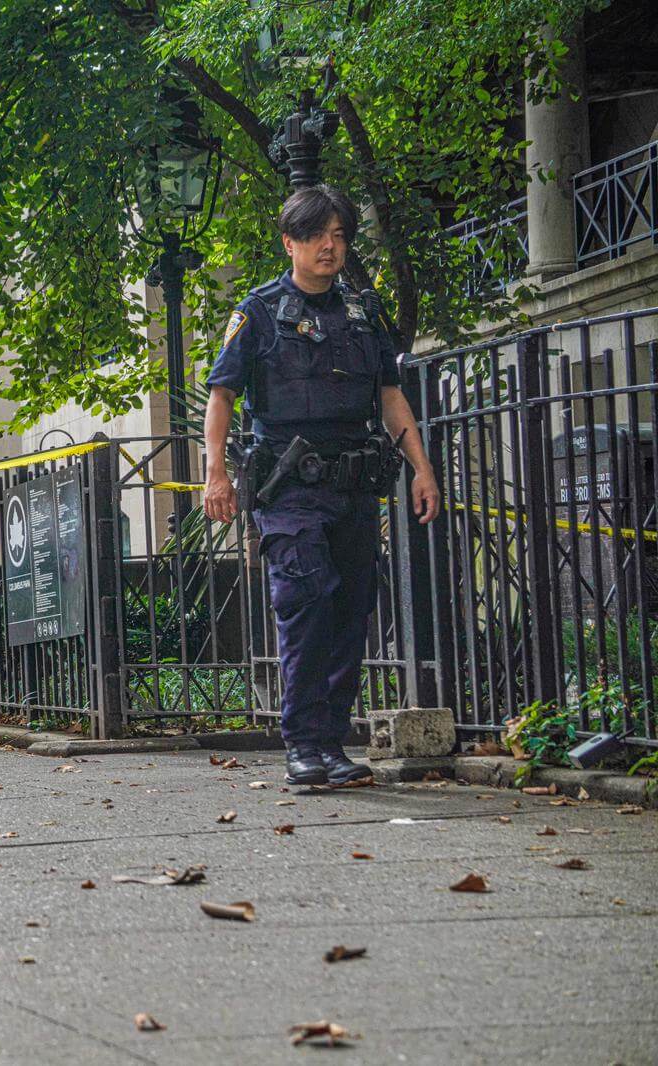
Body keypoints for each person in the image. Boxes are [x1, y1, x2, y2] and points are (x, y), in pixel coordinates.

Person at [201, 184, 441, 789]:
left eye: (339, 236)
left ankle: (330, 743)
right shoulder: (258, 313)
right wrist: (216, 473)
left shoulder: (363, 313)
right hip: (288, 485)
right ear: (290, 242)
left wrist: (422, 467)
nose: (330, 247)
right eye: (317, 236)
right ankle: (304, 745)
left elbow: (390, 396)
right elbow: (221, 395)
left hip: (354, 484)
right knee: (306, 604)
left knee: (349, 610)